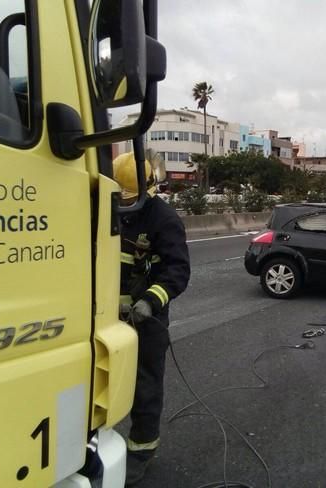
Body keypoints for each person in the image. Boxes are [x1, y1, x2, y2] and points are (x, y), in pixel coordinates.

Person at [113, 152, 191, 484]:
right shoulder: (112, 209)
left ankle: (141, 450)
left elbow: (178, 272)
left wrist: (149, 302)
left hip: (146, 320)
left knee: (144, 386)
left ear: (148, 189)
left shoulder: (164, 219)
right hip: (106, 320)